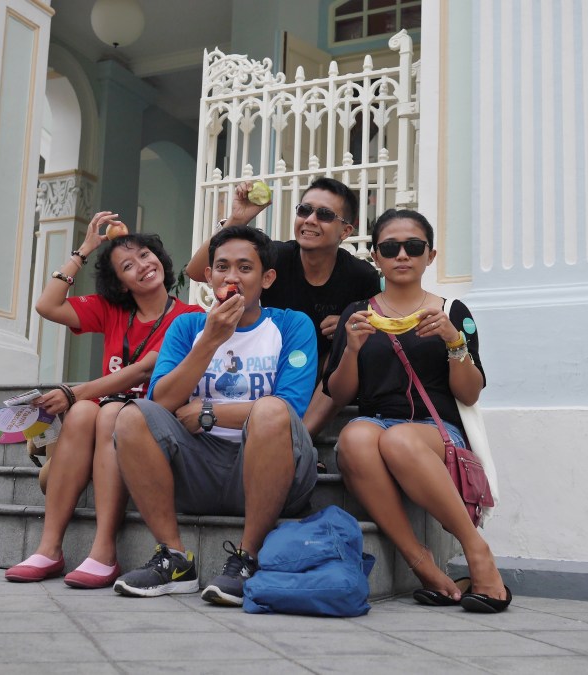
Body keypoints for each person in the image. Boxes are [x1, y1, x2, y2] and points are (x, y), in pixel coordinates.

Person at [112, 225, 318, 606]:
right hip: (198, 467)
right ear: (208, 276)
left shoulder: (292, 325)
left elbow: (289, 409)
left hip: (272, 470)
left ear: (267, 278)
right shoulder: (189, 326)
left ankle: (247, 558)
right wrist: (209, 341)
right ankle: (174, 559)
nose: (232, 278)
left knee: (272, 410)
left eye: (245, 268)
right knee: (129, 416)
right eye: (222, 267)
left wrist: (207, 412)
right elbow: (161, 403)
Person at [322, 208, 511, 613]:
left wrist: (454, 342)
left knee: (400, 438)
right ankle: (419, 561)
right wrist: (352, 349)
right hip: (375, 420)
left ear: (431, 255)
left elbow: (471, 393)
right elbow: (338, 392)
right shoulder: (358, 313)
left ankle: (476, 551)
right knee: (354, 437)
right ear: (376, 256)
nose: (402, 255)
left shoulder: (453, 311)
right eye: (390, 247)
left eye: (413, 246)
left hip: (436, 428)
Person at [4, 212, 203, 588]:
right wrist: (84, 249)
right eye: (129, 265)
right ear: (122, 284)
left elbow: (147, 369)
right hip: (103, 416)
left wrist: (73, 391)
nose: (143, 266)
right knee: (81, 414)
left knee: (105, 409)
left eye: (146, 255)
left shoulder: (190, 317)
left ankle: (104, 552)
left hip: (154, 418)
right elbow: (47, 306)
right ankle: (49, 549)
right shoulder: (112, 311)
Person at [185, 177, 381, 439]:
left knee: (340, 355)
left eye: (323, 214)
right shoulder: (277, 256)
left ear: (346, 231)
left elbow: (376, 330)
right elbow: (197, 272)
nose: (310, 219)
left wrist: (347, 322)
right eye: (304, 210)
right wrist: (237, 218)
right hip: (271, 362)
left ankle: (299, 439)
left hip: (323, 371)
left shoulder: (361, 276)